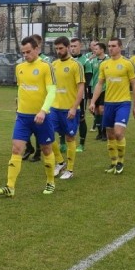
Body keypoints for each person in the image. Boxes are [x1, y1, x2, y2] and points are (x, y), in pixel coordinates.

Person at [0, 35, 57, 197]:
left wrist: (43, 110)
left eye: (28, 52)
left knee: (46, 150)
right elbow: (22, 90)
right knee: (16, 149)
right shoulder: (19, 67)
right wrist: (17, 109)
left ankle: (50, 182)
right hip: (23, 117)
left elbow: (52, 91)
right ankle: (10, 187)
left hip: (42, 117)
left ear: (37, 49)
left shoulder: (45, 67)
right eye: (23, 52)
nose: (26, 55)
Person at [88, 38, 135, 175]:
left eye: (113, 46)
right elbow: (99, 84)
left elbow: (134, 84)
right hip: (108, 103)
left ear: (120, 47)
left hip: (123, 103)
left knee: (118, 133)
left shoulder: (127, 64)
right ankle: (113, 162)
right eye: (109, 46)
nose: (110, 48)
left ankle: (121, 161)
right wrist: (93, 101)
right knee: (110, 135)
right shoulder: (104, 64)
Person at [49, 37, 85, 180]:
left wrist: (74, 107)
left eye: (61, 48)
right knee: (48, 135)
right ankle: (60, 162)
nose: (58, 51)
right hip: (54, 108)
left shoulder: (76, 65)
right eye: (56, 49)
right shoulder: (53, 64)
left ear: (68, 47)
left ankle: (69, 170)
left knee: (70, 137)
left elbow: (81, 88)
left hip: (69, 109)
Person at [24, 33, 51, 162]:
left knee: (39, 129)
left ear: (38, 46)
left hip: (42, 102)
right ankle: (29, 147)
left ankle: (39, 151)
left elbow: (51, 85)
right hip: (26, 104)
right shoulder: (23, 63)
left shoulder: (46, 62)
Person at [69, 37, 91, 152]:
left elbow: (88, 79)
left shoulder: (85, 61)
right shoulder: (66, 61)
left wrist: (82, 91)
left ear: (80, 47)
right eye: (71, 46)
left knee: (81, 118)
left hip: (80, 95)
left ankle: (81, 144)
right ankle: (63, 143)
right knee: (64, 116)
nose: (72, 49)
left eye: (75, 46)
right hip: (66, 95)